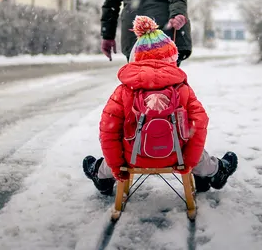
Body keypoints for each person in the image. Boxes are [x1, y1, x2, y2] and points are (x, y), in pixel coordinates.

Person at [83, 16, 238, 195]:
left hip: (133, 158)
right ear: (172, 57)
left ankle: (101, 176)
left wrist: (117, 167)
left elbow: (108, 130)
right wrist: (188, 162)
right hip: (175, 156)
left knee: (118, 148)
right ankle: (214, 171)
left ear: (136, 57)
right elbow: (199, 123)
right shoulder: (182, 89)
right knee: (194, 148)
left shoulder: (124, 91)